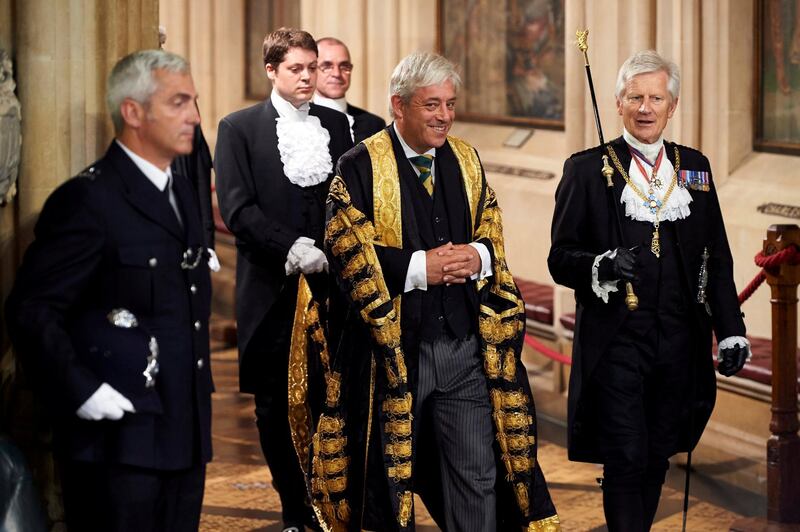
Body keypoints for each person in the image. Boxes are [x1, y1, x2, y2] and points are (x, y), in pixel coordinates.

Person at [314, 51, 559, 532]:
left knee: (477, 474)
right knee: (387, 486)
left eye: (450, 104)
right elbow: (345, 256)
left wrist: (480, 257)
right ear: (398, 106)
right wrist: (418, 267)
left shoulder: (466, 158)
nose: (444, 116)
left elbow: (491, 229)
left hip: (465, 348)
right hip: (394, 355)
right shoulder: (358, 166)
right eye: (431, 105)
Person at [5, 49, 214, 531]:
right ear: (133, 112)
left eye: (195, 102)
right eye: (179, 102)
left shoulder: (182, 193)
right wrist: (82, 390)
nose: (195, 118)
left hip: (184, 429)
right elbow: (32, 308)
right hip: (118, 439)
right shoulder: (89, 198)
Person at [548, 49, 750, 531]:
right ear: (618, 103)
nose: (645, 107)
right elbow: (560, 258)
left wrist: (731, 330)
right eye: (635, 97)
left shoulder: (694, 169)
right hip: (617, 339)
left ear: (672, 106)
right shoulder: (586, 169)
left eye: (655, 98)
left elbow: (716, 258)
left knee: (658, 450)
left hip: (680, 339)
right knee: (626, 453)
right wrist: (603, 264)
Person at [214, 27, 352, 532]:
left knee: (330, 399)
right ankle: (294, 508)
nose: (308, 78)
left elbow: (346, 202)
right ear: (271, 70)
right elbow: (236, 207)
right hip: (271, 291)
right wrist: (289, 246)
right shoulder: (239, 128)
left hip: (331, 291)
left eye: (313, 68)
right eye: (296, 68)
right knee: (274, 406)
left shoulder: (336, 128)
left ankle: (331, 504)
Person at [313, 37, 386, 143]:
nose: (336, 74)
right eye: (327, 66)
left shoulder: (374, 124)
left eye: (344, 66)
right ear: (312, 69)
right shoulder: (300, 118)